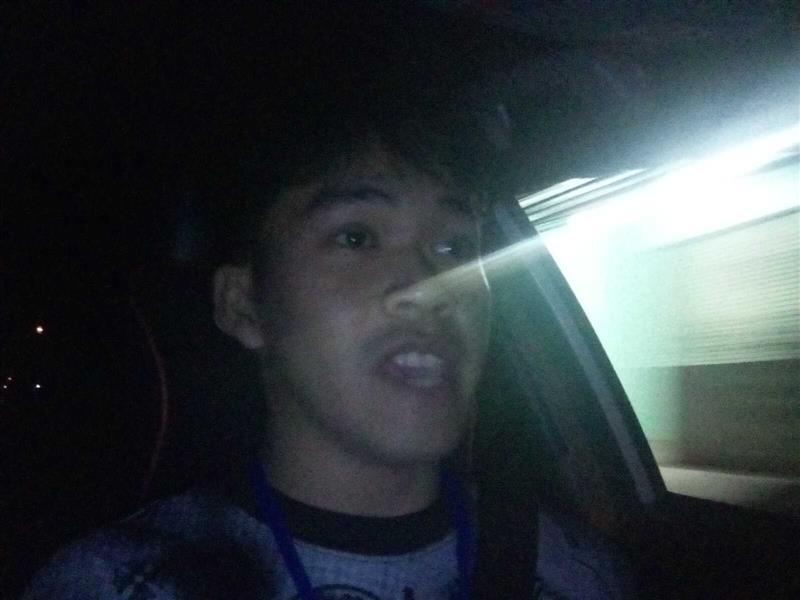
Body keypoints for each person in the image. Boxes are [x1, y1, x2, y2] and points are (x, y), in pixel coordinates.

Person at [22, 76, 633, 599]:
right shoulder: (121, 583)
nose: (432, 286)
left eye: (453, 247)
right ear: (243, 304)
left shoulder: (577, 575)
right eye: (356, 238)